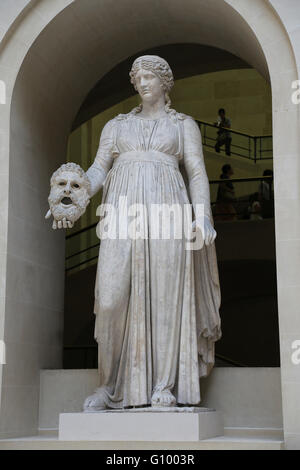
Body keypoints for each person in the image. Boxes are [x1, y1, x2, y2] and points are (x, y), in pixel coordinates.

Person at [46, 55, 221, 410]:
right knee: (110, 299)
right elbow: (96, 170)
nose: (142, 83)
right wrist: (72, 194)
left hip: (170, 209)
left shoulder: (183, 124)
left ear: (165, 83)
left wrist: (202, 217)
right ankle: (108, 386)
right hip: (122, 212)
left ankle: (163, 386)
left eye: (149, 77)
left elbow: (198, 173)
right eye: (137, 78)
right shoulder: (116, 125)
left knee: (166, 297)